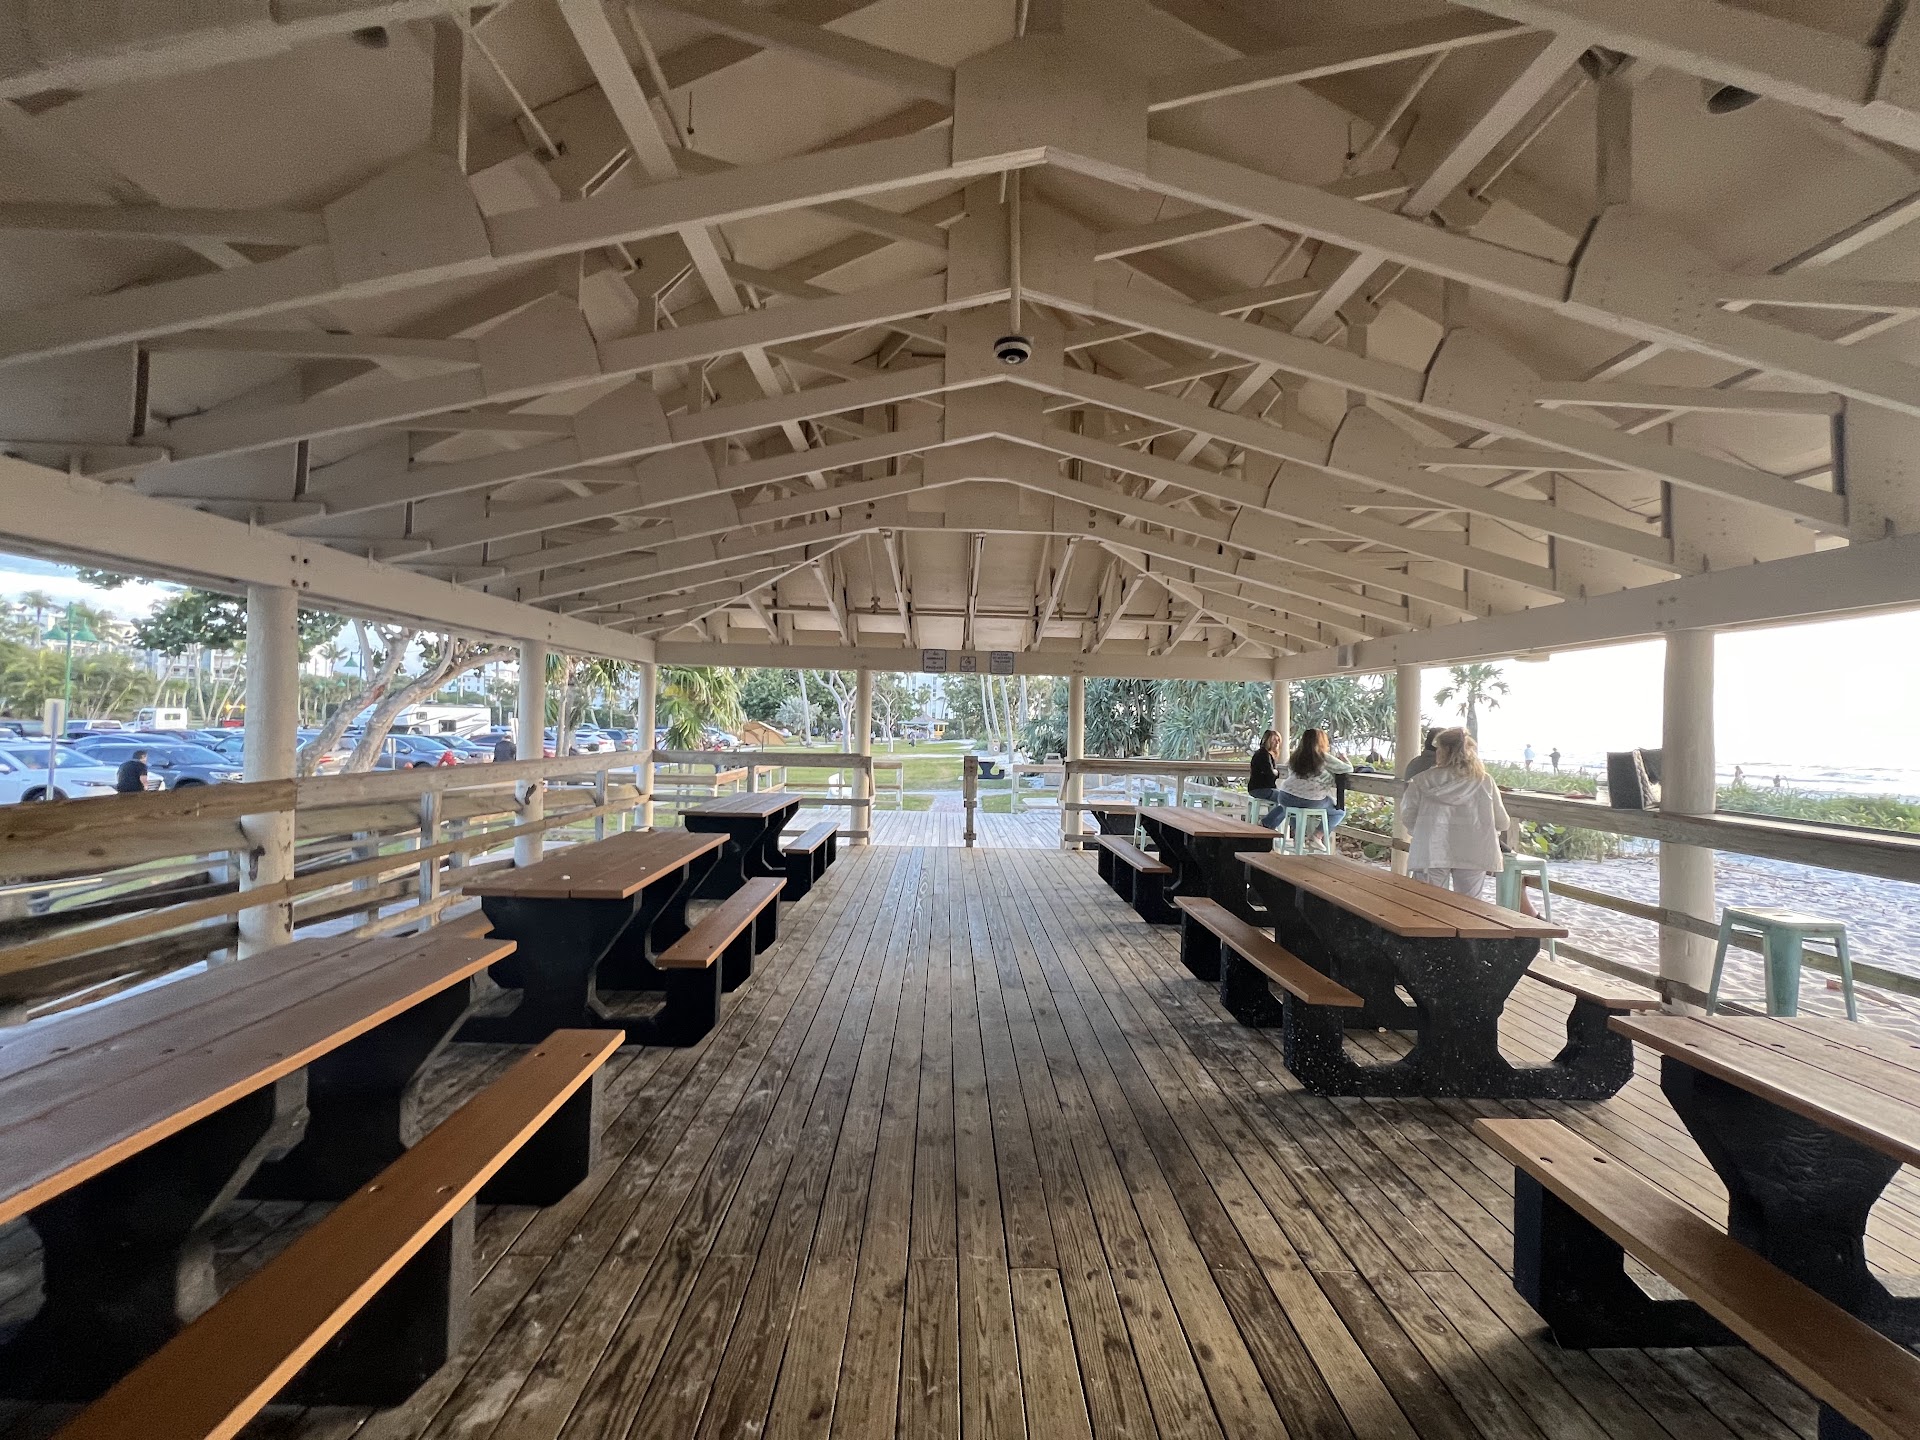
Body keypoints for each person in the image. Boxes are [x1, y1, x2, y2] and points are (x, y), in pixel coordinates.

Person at [1400, 728, 1511, 899]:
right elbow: (1503, 822)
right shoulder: (1484, 781)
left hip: (1431, 848)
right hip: (1475, 849)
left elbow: (1408, 815)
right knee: (1469, 904)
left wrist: (1423, 830)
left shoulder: (1422, 780)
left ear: (1443, 750)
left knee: (1424, 901)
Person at [1272, 728, 1352, 848]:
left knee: (1293, 810)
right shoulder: (1323, 757)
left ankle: (1298, 837)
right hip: (1310, 799)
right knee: (1339, 812)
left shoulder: (1295, 757)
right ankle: (1317, 836)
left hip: (1285, 796)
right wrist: (1344, 758)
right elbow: (1347, 769)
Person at [1248, 729, 1284, 826]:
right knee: (1287, 799)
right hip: (1260, 789)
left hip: (1259, 788)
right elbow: (1270, 774)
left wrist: (1275, 772)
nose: (1277, 743)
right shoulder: (1263, 754)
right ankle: (1266, 823)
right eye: (1274, 740)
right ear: (1267, 740)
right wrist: (1276, 772)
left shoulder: (1263, 754)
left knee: (1285, 799)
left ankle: (1270, 824)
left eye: (1278, 740)